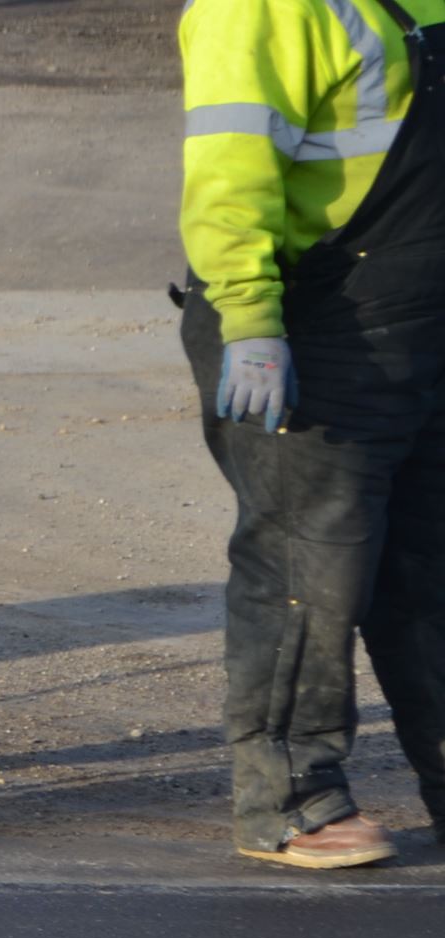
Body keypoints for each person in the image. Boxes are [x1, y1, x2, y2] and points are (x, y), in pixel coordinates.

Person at [179, 0, 445, 867]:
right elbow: (229, 166)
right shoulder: (263, 5)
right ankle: (292, 800)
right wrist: (251, 319)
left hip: (422, 326)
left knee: (430, 568)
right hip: (313, 328)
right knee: (308, 568)